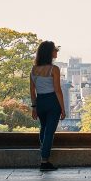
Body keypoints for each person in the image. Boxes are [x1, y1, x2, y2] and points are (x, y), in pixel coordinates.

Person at [30, 40, 66, 171]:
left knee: (43, 129)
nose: (56, 52)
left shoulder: (34, 69)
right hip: (52, 101)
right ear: (49, 53)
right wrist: (63, 108)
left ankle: (43, 154)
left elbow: (32, 91)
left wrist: (34, 107)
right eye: (54, 50)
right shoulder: (54, 69)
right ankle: (44, 161)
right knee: (49, 132)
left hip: (40, 101)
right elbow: (58, 90)